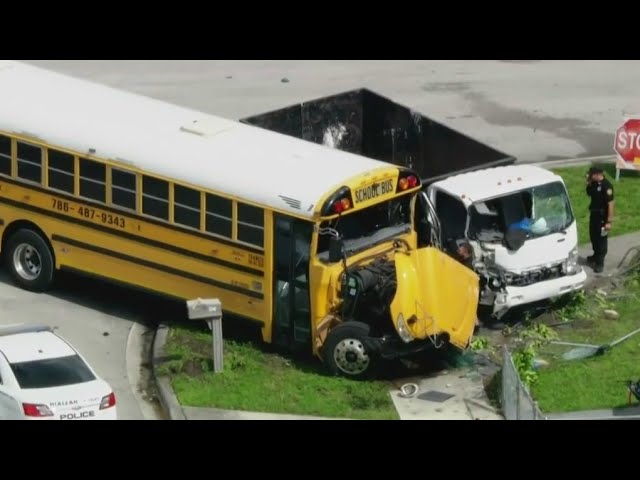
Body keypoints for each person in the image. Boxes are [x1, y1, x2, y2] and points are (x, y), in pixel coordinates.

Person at [585, 166, 614, 273]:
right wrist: (588, 182)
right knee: (593, 236)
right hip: (594, 215)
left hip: (603, 217)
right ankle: (595, 255)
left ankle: (600, 262)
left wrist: (609, 221)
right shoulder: (594, 184)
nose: (590, 176)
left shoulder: (607, 186)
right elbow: (589, 193)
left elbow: (610, 204)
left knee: (601, 240)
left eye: (592, 174)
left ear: (598, 174)